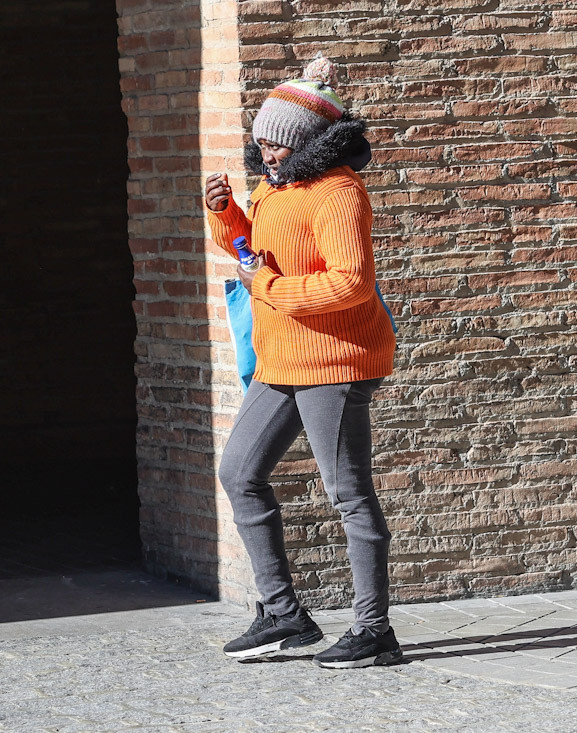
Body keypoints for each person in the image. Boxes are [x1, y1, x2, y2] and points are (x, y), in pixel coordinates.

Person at [204, 56, 401, 669]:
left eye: (279, 143)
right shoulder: (275, 185)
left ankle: (374, 631)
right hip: (281, 356)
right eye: (262, 140)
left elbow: (351, 284)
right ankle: (284, 614)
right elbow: (252, 253)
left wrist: (268, 287)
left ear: (309, 143)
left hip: (336, 360)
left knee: (348, 494)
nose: (267, 151)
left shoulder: (339, 192)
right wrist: (226, 214)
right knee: (239, 471)